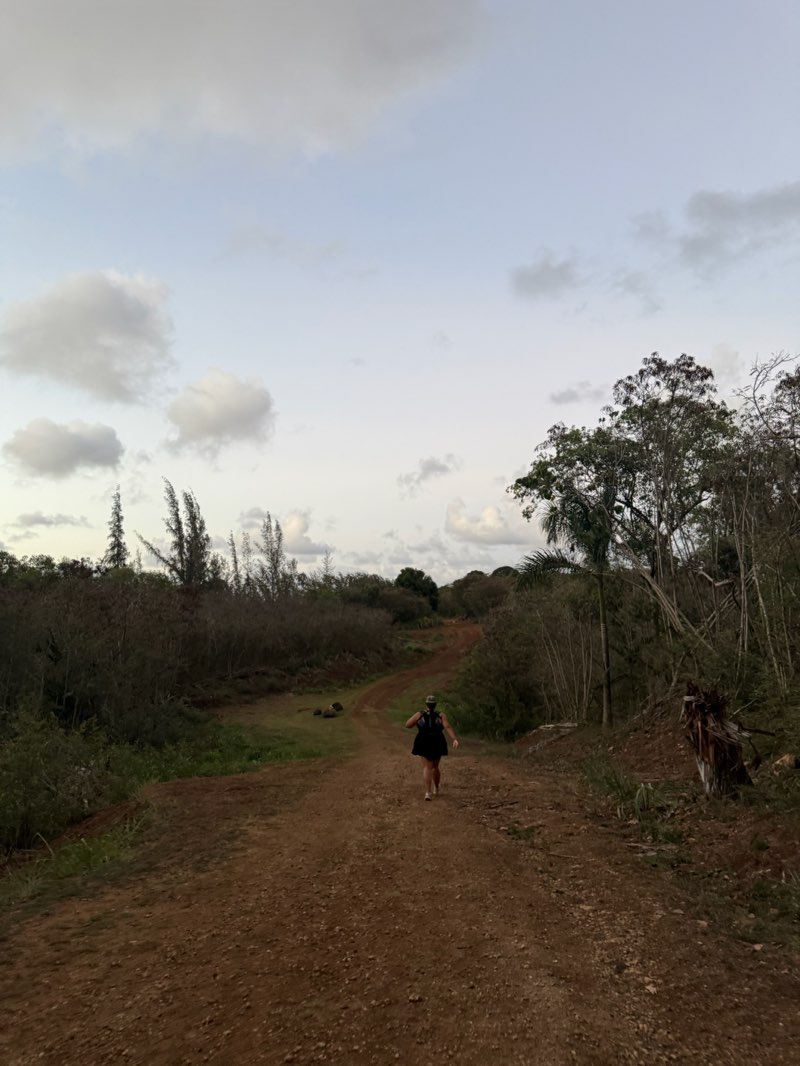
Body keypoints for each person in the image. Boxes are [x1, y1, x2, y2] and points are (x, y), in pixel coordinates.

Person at [405, 695, 459, 801]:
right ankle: (437, 788)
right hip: (437, 740)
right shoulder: (440, 715)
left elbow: (408, 725)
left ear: (426, 704)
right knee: (435, 766)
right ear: (435, 705)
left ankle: (428, 792)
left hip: (423, 740)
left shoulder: (420, 714)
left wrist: (417, 722)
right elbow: (447, 726)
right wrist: (454, 739)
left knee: (427, 767)